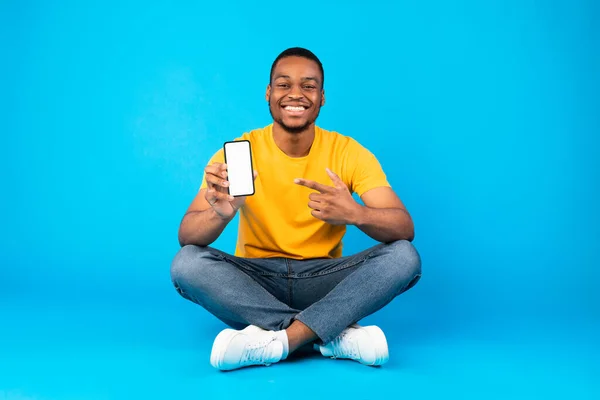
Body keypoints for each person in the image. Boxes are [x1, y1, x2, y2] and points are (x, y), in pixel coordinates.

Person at [170, 47, 422, 371]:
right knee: (187, 264)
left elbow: (404, 227)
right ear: (268, 93)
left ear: (322, 97)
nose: (295, 95)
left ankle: (282, 340)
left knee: (404, 257)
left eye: (308, 85)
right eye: (283, 84)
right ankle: (330, 334)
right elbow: (187, 235)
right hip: (257, 281)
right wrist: (220, 214)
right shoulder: (239, 153)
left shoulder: (348, 152)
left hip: (323, 279)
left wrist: (355, 214)